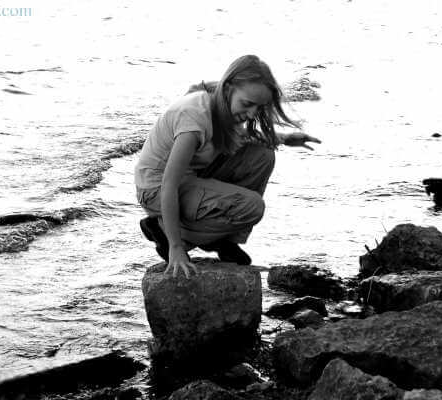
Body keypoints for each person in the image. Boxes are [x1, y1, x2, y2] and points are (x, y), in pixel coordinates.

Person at [134, 55, 320, 278]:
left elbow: (243, 136)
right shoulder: (193, 119)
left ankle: (224, 241)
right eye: (247, 104)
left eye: (258, 108)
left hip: (189, 177)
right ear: (229, 87)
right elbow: (168, 183)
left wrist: (284, 138)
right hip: (156, 189)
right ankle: (167, 232)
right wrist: (175, 248)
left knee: (262, 156)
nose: (252, 114)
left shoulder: (220, 101)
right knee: (252, 207)